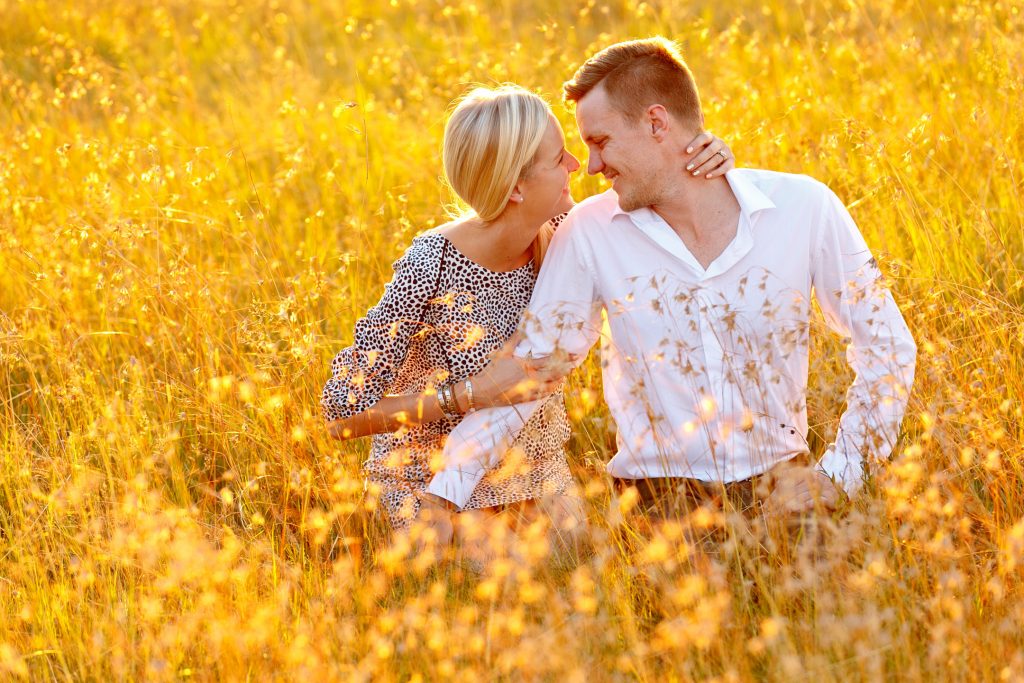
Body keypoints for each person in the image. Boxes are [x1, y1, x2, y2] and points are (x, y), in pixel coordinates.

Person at [427, 38, 917, 530]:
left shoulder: (804, 207)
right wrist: (443, 495)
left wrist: (839, 474)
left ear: (657, 123)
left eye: (600, 142)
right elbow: (532, 374)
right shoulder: (591, 231)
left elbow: (888, 346)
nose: (591, 166)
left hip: (787, 495)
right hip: (657, 512)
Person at [321, 84, 734, 544]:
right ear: (516, 186)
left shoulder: (566, 233)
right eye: (560, 159)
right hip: (433, 488)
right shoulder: (430, 264)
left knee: (600, 586)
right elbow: (342, 415)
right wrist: (469, 394)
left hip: (541, 478)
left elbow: (656, 207)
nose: (578, 165)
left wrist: (705, 165)